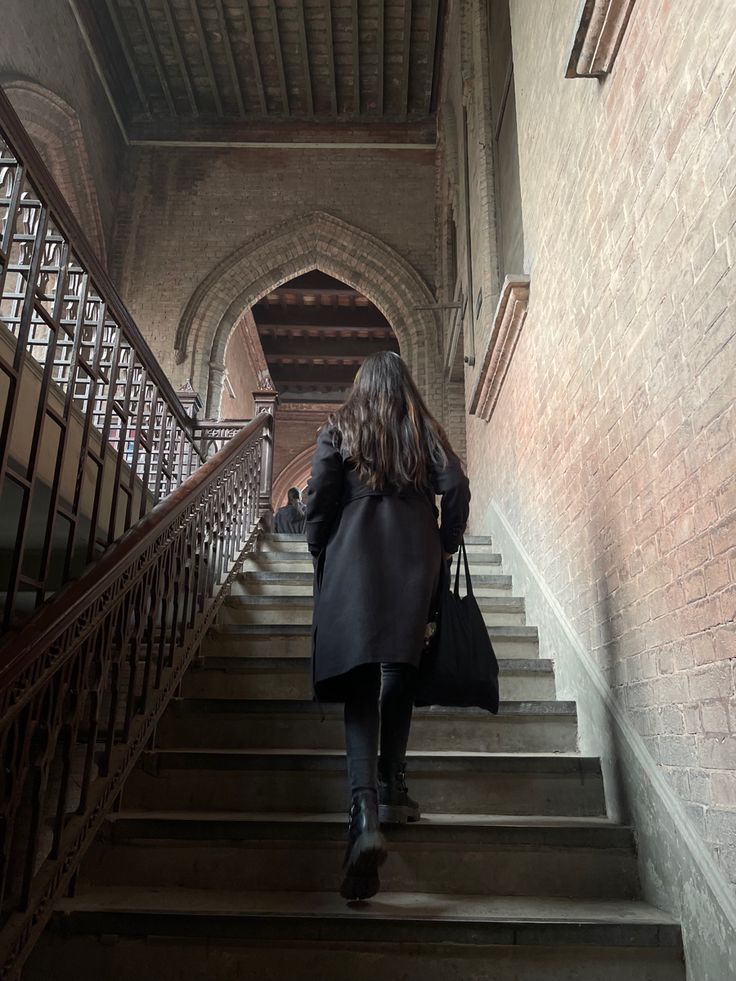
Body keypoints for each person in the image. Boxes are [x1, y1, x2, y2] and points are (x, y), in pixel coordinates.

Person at [305, 351, 470, 902]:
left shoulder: (340, 426)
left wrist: (317, 548)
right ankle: (391, 780)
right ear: (404, 385)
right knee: (400, 665)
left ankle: (364, 808)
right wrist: (444, 543)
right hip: (414, 550)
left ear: (360, 386)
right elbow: (458, 485)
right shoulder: (423, 427)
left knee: (358, 681)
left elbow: (322, 494)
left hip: (355, 551)